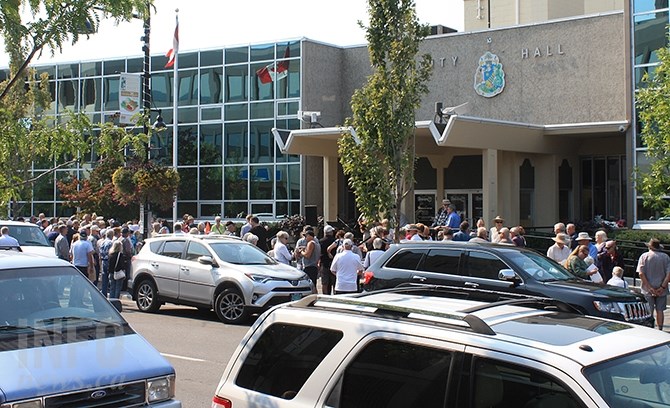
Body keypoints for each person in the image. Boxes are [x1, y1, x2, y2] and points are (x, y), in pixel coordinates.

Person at [636, 238, 670, 330]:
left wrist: (649, 287)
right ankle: (660, 329)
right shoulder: (665, 257)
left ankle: (649, 329)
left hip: (647, 289)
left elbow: (641, 273)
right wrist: (662, 287)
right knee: (660, 311)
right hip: (661, 288)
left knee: (648, 311)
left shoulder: (644, 256)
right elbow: (668, 274)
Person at [319, 225, 337, 295]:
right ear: (331, 232)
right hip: (334, 263)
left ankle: (325, 296)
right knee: (334, 281)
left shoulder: (321, 241)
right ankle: (336, 295)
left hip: (324, 263)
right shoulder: (335, 241)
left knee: (325, 283)